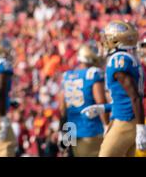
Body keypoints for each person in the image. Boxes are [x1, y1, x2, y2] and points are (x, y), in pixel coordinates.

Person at [84, 21, 145, 156]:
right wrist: (104, 108)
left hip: (125, 121)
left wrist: (141, 128)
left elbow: (134, 97)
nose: (103, 42)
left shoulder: (118, 61)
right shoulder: (126, 58)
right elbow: (124, 98)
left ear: (116, 40)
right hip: (129, 119)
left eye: (106, 38)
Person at [58, 44, 109, 157]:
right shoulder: (93, 73)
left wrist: (62, 132)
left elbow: (62, 108)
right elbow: (100, 102)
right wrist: (106, 125)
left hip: (70, 129)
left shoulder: (67, 75)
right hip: (91, 130)